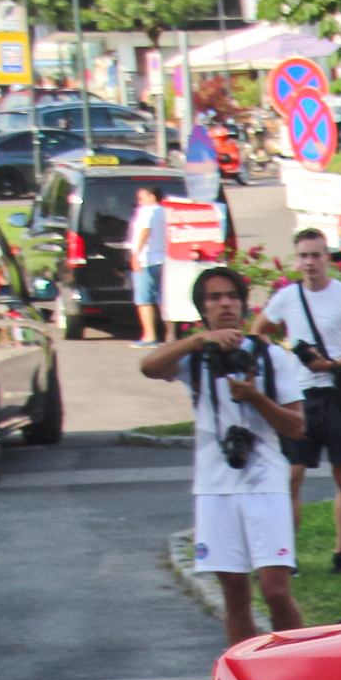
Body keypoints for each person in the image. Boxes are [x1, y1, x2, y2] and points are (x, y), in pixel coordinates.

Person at [144, 265, 308, 645]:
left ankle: (299, 664)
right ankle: (246, 675)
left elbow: (296, 427)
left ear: (244, 303)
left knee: (275, 590)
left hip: (265, 482)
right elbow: (148, 366)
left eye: (232, 296)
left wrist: (255, 398)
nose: (225, 304)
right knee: (234, 591)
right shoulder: (197, 358)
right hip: (215, 486)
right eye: (214, 298)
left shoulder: (271, 357)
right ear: (203, 309)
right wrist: (199, 341)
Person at [255, 227, 341, 575]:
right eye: (304, 256)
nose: (310, 263)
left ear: (328, 257)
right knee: (292, 476)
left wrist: (333, 365)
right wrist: (279, 358)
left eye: (316, 255)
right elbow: (258, 330)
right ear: (297, 259)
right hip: (299, 395)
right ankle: (286, 556)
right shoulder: (287, 297)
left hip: (337, 395)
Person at [128, 184, 167, 346]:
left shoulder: (147, 211)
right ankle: (170, 333)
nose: (139, 202)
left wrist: (136, 254)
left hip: (147, 260)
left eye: (142, 198)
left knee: (144, 299)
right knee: (163, 299)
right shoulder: (165, 211)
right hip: (163, 258)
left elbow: (145, 230)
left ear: (152, 197)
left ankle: (149, 336)